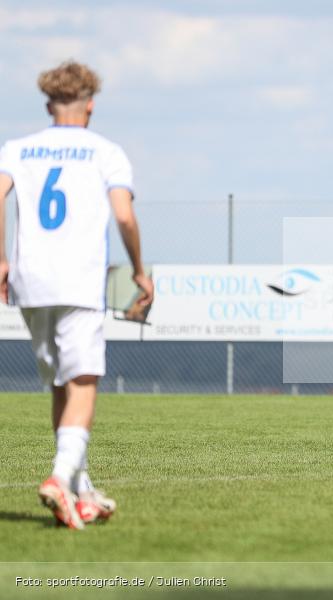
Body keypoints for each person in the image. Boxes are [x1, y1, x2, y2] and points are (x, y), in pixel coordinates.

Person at [0, 61, 153, 529]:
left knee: (62, 385)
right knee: (84, 380)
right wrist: (140, 272)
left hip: (29, 280)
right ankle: (60, 476)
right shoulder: (106, 152)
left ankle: (80, 490)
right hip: (78, 279)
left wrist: (1, 261)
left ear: (49, 105)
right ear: (90, 105)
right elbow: (124, 217)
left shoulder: (18, 149)